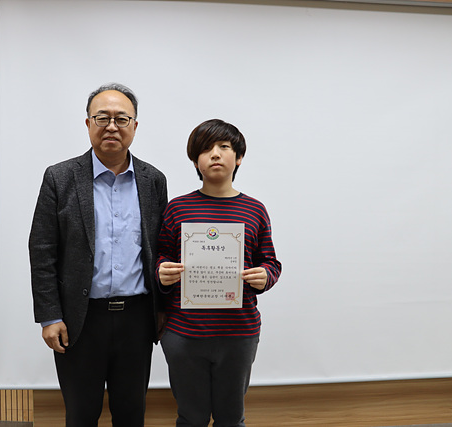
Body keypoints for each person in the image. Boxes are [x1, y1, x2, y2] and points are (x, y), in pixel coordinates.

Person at [29, 83, 168, 427]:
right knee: (81, 415)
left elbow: (161, 248)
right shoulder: (60, 177)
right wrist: (49, 316)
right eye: (102, 118)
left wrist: (164, 308)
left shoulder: (153, 180)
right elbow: (42, 249)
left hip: (137, 319)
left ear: (135, 125)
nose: (111, 126)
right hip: (80, 320)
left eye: (122, 119)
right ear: (88, 123)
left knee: (131, 414)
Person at [157, 118, 282, 427]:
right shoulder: (177, 208)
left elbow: (270, 261)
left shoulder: (255, 209)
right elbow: (161, 255)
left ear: (238, 158)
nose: (215, 154)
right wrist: (161, 271)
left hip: (238, 332)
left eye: (224, 147)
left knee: (231, 418)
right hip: (184, 333)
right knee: (191, 418)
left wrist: (264, 276)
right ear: (195, 161)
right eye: (206, 149)